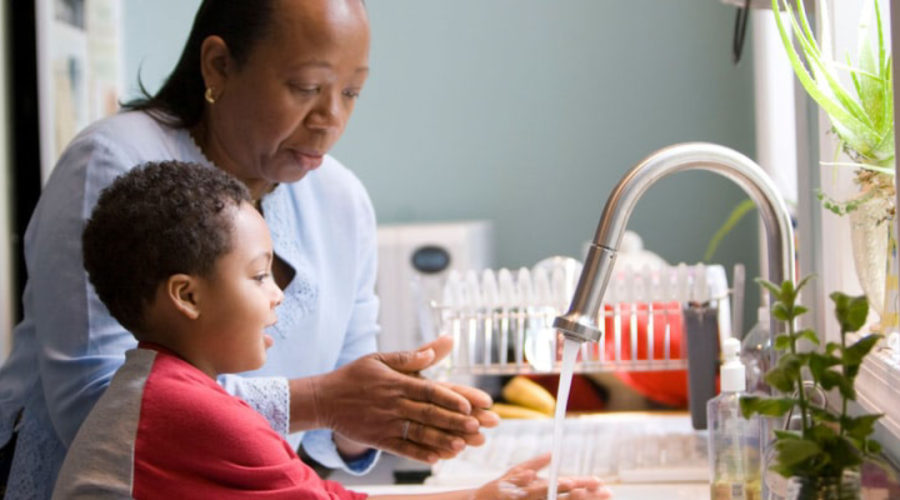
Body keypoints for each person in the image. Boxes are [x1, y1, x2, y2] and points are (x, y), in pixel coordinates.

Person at [0, 0, 497, 497]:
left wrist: (392, 408)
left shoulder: (343, 199)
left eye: (351, 92)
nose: (330, 119)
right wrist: (323, 400)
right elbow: (98, 407)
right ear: (218, 64)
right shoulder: (112, 162)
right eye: (306, 88)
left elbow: (333, 429)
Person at [53, 161, 611, 500]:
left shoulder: (162, 390)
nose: (278, 293)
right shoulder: (194, 414)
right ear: (188, 296)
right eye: (258, 275)